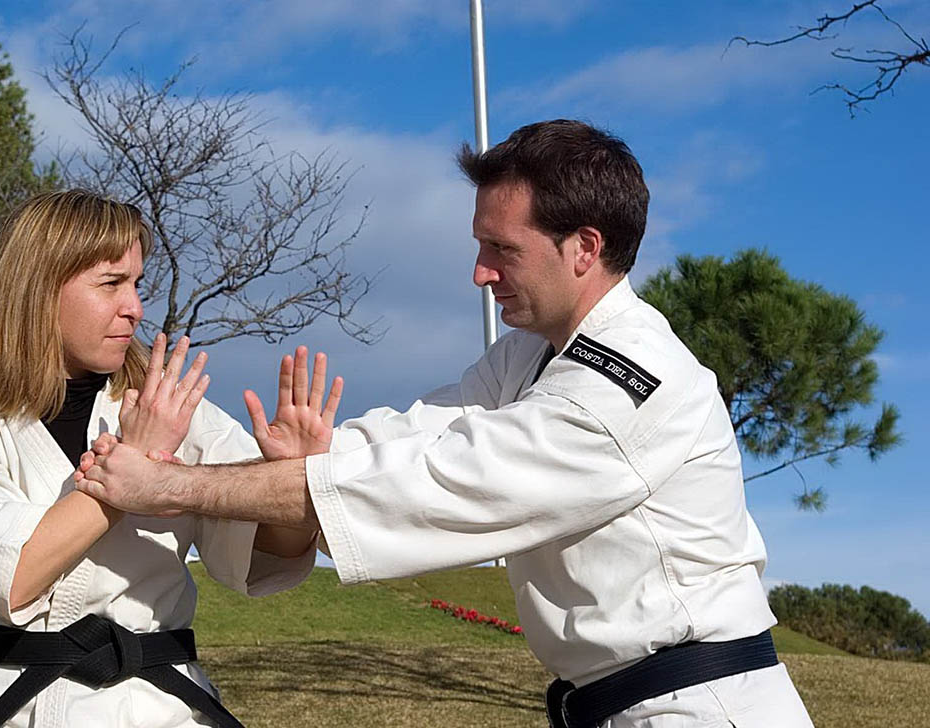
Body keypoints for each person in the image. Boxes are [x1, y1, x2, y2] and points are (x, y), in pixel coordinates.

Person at [74, 121, 816, 727]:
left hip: (699, 709)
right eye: (479, 245)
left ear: (584, 248)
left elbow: (428, 485)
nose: (479, 273)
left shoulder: (626, 388)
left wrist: (172, 484)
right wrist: (315, 458)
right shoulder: (531, 357)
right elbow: (415, 434)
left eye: (502, 249)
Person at [0, 189, 334, 728]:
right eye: (111, 284)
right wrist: (133, 464)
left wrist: (291, 490)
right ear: (37, 291)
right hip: (14, 706)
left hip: (159, 708)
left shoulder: (169, 405)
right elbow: (11, 576)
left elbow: (256, 561)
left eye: (136, 284)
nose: (135, 307)